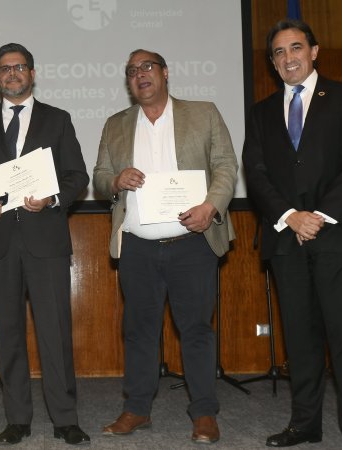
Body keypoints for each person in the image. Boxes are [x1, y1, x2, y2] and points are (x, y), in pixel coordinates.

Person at [242, 19, 342, 450]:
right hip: (285, 239)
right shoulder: (261, 111)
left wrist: (316, 216)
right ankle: (305, 424)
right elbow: (256, 172)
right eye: (278, 53)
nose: (287, 58)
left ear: (314, 51)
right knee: (299, 340)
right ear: (272, 62)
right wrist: (289, 216)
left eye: (295, 48)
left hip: (336, 236)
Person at [93, 49, 238, 445]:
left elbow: (225, 164)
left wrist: (211, 207)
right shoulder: (116, 125)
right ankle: (136, 409)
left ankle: (205, 413)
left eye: (147, 67)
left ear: (165, 73)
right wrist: (116, 180)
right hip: (137, 247)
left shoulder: (203, 113)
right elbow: (101, 175)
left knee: (195, 330)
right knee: (139, 331)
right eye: (132, 71)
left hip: (192, 244)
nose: (139, 75)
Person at [0, 43, 90, 446]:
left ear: (32, 73)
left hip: (45, 240)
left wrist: (52, 199)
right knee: (9, 333)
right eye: (3, 69)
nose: (11, 74)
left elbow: (77, 176)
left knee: (55, 332)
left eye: (19, 67)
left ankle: (65, 417)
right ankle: (17, 418)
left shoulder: (58, 119)